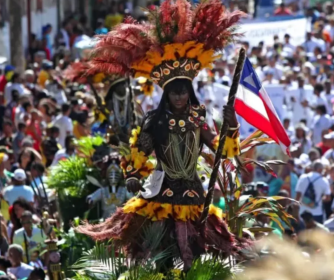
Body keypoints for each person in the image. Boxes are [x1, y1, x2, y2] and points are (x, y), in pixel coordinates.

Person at [77, 2, 247, 270]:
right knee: (155, 254)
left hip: (193, 192)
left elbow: (224, 152)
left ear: (189, 92)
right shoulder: (154, 121)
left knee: (199, 252)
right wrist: (133, 176)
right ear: (166, 94)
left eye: (183, 91)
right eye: (174, 92)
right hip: (160, 191)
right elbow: (139, 153)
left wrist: (233, 126)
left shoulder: (198, 118)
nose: (179, 97)